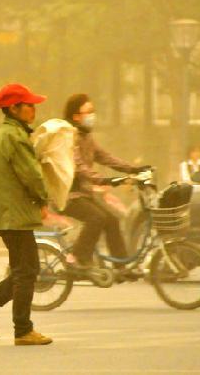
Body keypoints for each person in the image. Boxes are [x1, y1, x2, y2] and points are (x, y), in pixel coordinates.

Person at [0, 83, 53, 346]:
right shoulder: (15, 137)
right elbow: (32, 175)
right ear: (14, 108)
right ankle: (22, 329)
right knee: (27, 270)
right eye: (29, 105)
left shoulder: (6, 133)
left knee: (24, 269)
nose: (34, 109)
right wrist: (43, 198)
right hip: (13, 215)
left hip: (10, 214)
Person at [62, 94, 150, 272]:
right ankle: (76, 258)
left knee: (112, 220)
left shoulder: (87, 137)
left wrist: (133, 169)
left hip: (84, 194)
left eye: (93, 112)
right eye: (88, 112)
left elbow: (105, 157)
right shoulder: (69, 138)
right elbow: (79, 168)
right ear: (76, 116)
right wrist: (105, 180)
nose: (92, 115)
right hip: (68, 196)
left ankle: (122, 266)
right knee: (97, 218)